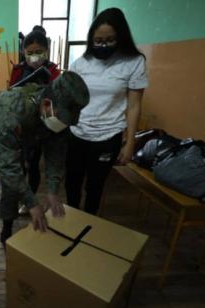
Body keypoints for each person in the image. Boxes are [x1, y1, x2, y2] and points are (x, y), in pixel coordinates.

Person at [0, 71, 89, 246]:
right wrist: (32, 203)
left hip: (15, 143)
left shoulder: (58, 117)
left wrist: (53, 190)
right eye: (62, 119)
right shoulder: (10, 109)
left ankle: (6, 230)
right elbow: (7, 168)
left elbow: (56, 155)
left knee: (12, 189)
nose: (63, 124)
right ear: (47, 105)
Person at [66, 8, 148, 215]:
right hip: (77, 133)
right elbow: (69, 99)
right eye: (98, 40)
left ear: (120, 37)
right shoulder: (80, 63)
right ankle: (72, 220)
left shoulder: (134, 62)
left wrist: (130, 143)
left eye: (109, 40)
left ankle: (88, 223)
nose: (102, 45)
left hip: (107, 136)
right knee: (71, 182)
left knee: (95, 186)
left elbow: (135, 106)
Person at [9, 27, 61, 215]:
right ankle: (22, 199)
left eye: (38, 52)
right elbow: (10, 96)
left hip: (45, 128)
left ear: (46, 51)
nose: (34, 57)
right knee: (21, 164)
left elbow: (58, 100)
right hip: (22, 128)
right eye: (29, 53)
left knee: (37, 165)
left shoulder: (53, 72)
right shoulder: (18, 70)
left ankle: (32, 198)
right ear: (23, 52)